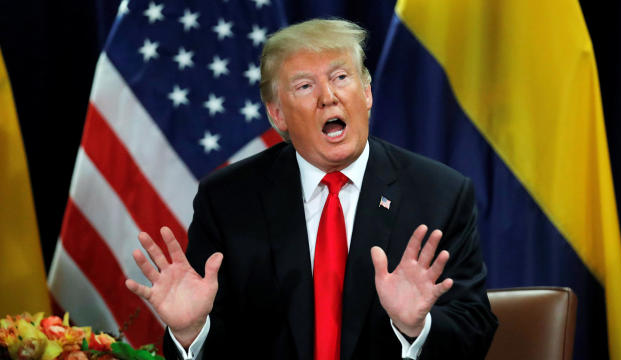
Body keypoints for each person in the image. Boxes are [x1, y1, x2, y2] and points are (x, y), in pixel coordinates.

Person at [126, 19, 497, 359]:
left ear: (366, 92)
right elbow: (222, 341)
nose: (328, 97)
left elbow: (475, 328)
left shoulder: (439, 194)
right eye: (305, 86)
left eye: (340, 77)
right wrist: (192, 332)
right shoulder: (227, 200)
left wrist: (416, 328)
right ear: (277, 115)